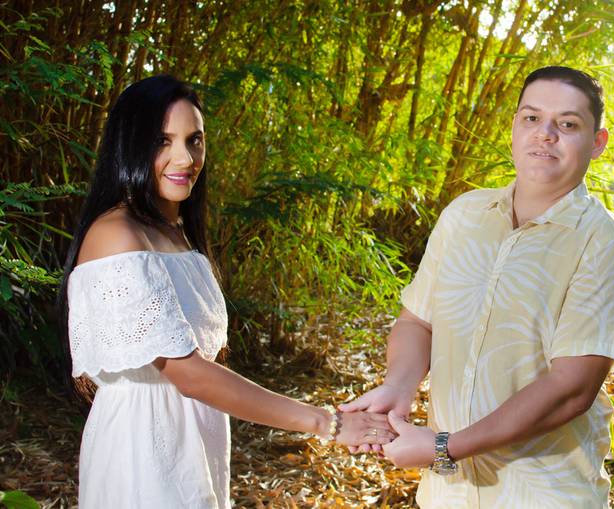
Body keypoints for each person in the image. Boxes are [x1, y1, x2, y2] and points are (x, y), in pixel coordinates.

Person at [58, 75, 394, 509]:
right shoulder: (117, 234)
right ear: (130, 146)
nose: (185, 158)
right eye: (163, 141)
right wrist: (327, 423)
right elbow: (191, 375)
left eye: (194, 140)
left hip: (191, 446)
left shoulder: (176, 232)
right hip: (142, 453)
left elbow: (205, 367)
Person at [340, 66, 614, 508]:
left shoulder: (605, 243)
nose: (545, 134)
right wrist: (399, 386)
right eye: (532, 118)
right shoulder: (464, 214)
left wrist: (444, 447)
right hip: (449, 495)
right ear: (514, 127)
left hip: (543, 494)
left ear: (597, 143)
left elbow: (571, 390)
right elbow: (417, 321)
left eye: (567, 124)